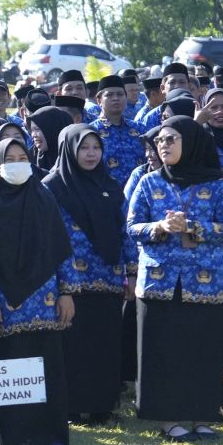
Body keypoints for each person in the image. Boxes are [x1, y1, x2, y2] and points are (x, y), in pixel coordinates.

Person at [126, 117, 223, 442]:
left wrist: (192, 227)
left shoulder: (216, 184)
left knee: (201, 350)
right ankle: (168, 419)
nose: (164, 145)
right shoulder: (148, 183)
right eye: (160, 140)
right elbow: (132, 226)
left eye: (171, 139)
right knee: (164, 351)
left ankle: (203, 417)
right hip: (160, 283)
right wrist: (159, 227)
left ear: (191, 141)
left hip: (205, 283)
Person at [0, 138, 74, 445]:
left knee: (47, 368)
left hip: (46, 304)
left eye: (22, 157)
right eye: (9, 158)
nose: (17, 163)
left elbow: (61, 251)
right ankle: (9, 440)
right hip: (4, 307)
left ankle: (50, 437)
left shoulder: (44, 198)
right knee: (8, 369)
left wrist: (66, 293)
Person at [44, 125, 129, 424]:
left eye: (96, 147)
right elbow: (46, 236)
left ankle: (101, 405)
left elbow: (123, 230)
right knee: (73, 346)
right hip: (70, 283)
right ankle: (71, 406)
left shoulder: (110, 184)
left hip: (107, 279)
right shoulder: (51, 187)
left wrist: (129, 269)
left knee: (104, 342)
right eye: (84, 147)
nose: (91, 154)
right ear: (69, 149)